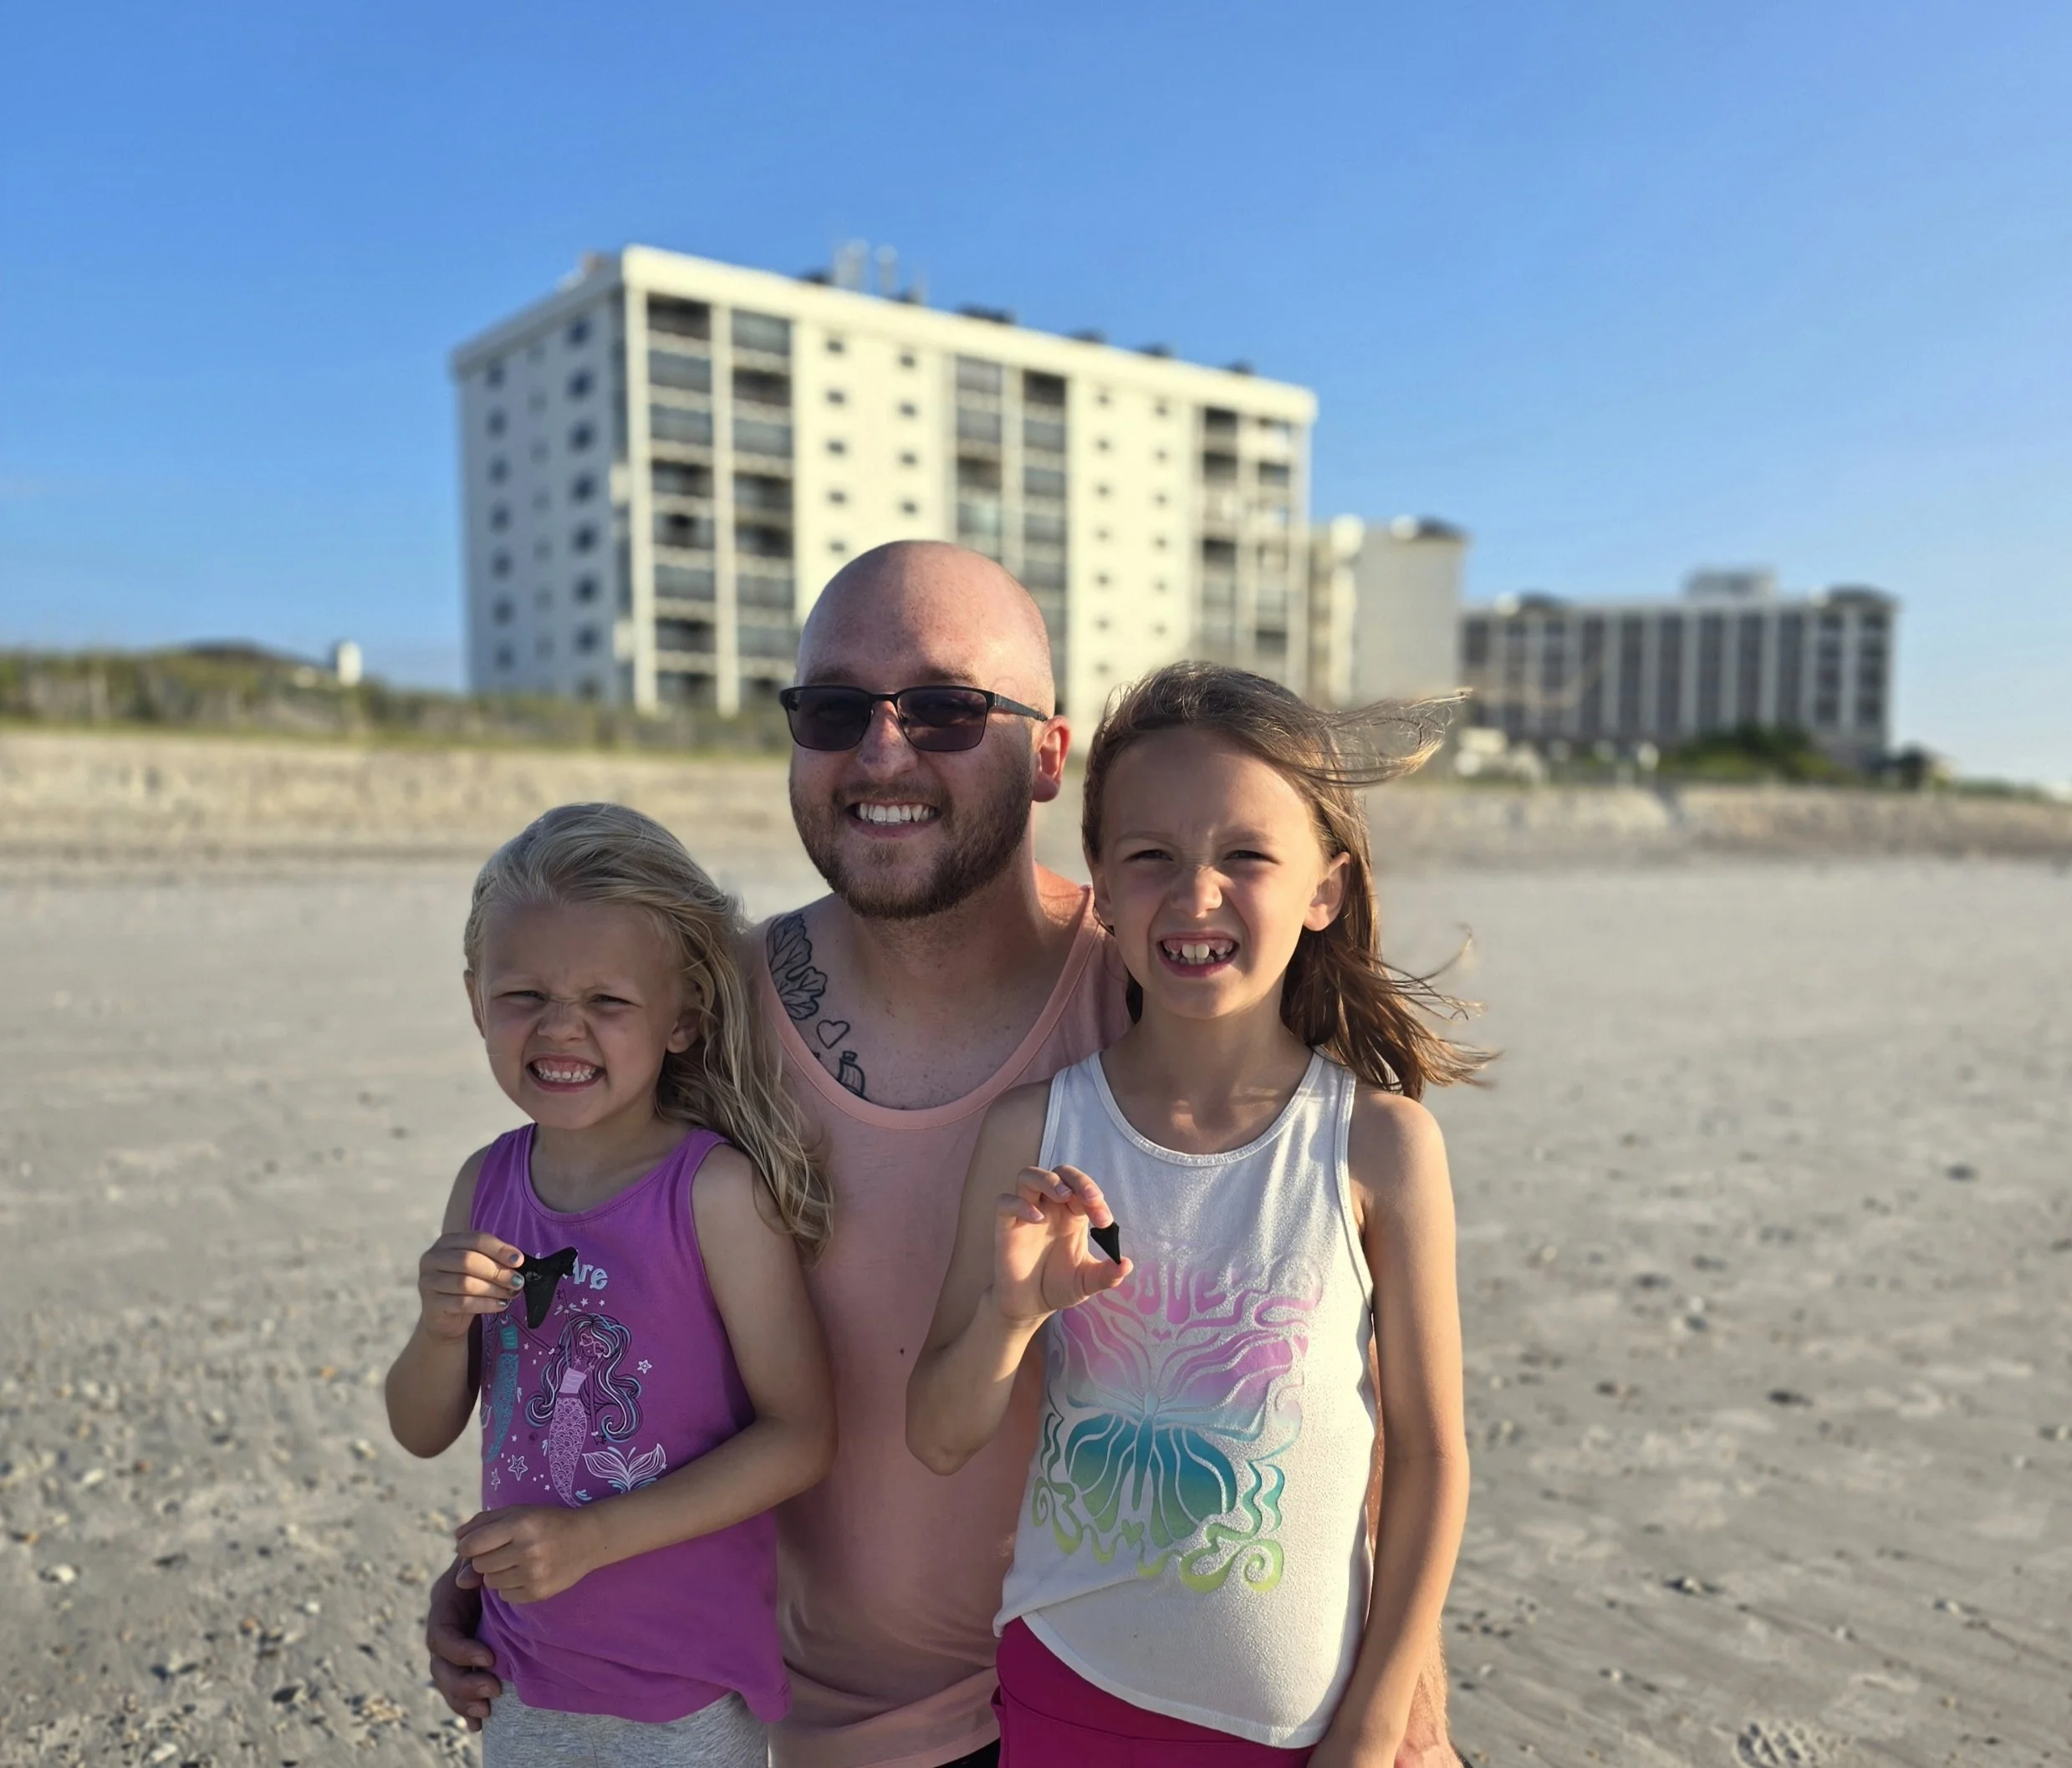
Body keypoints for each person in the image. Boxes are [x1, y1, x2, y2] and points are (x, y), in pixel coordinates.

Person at [426, 543, 1467, 1768]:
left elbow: (1328, 1368)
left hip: (1087, 1704)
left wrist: (1404, 1697)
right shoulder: (702, 1019)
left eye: (945, 707)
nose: (882, 751)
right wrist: (514, 1578)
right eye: (834, 708)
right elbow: (590, 1310)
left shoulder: (1166, 986)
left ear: (1048, 756)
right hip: (765, 1714)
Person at [908, 661, 1481, 1765]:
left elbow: (1431, 1456)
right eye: (1151, 857)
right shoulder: (1036, 1131)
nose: (1195, 895)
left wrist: (1377, 1718)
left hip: (1305, 1723)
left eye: (1246, 856)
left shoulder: (1378, 1145)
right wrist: (1010, 1315)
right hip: (1069, 1692)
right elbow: (937, 1434)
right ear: (1102, 889)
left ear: (1324, 889)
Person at [387, 802, 836, 1765]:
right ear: (475, 1000)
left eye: (607, 1001)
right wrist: (437, 1329)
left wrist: (591, 1540)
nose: (562, 1028)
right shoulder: (485, 1184)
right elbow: (421, 1429)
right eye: (524, 995)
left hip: (680, 1689)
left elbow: (800, 1436)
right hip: (521, 1665)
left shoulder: (715, 1195)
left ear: (683, 1019)